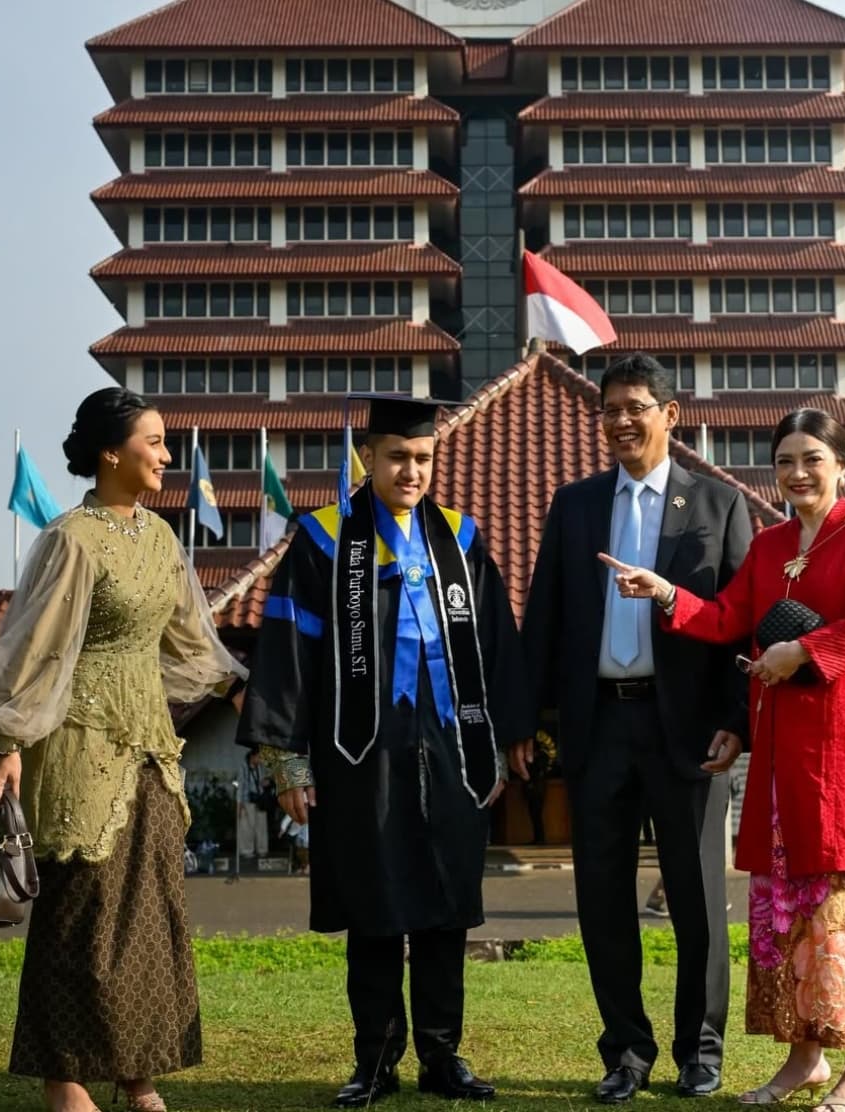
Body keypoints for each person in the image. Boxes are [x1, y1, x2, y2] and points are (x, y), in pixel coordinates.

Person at [603, 408, 845, 1112]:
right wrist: (665, 592)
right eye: (784, 461)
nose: (797, 473)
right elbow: (726, 618)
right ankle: (804, 1057)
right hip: (779, 746)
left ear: (840, 465)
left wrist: (802, 651)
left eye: (812, 458)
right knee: (788, 900)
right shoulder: (769, 546)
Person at [237, 395, 532, 1108]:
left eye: (423, 458)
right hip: (359, 750)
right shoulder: (323, 540)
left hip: (449, 746)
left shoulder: (460, 538)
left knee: (446, 905)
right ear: (367, 456)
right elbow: (289, 651)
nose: (411, 471)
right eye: (397, 456)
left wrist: (498, 740)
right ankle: (374, 1059)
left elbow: (495, 642)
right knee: (373, 904)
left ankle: (441, 1056)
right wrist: (286, 759)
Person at [0, 387, 246, 1112]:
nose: (166, 455)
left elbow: (190, 641)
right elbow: (35, 646)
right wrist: (9, 743)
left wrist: (241, 692)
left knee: (150, 909)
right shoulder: (71, 538)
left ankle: (134, 1071)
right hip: (77, 739)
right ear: (110, 452)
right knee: (81, 908)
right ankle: (63, 1076)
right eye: (153, 441)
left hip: (151, 741)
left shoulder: (161, 539)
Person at [518, 353, 752, 1102]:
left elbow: (741, 626)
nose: (621, 421)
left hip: (687, 731)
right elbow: (544, 618)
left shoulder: (718, 505)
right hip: (598, 728)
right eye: (610, 409)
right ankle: (624, 1050)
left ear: (669, 415)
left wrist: (737, 722)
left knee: (696, 899)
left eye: (635, 407)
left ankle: (699, 1051)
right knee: (603, 900)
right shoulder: (575, 505)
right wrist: (525, 722)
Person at [237, 746, 270, 860]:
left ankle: (262, 850)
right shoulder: (243, 767)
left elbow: (263, 781)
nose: (260, 760)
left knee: (261, 826)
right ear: (252, 756)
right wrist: (239, 804)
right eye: (259, 757)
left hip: (260, 800)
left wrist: (265, 782)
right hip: (247, 800)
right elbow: (240, 786)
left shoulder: (260, 768)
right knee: (247, 827)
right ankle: (247, 850)